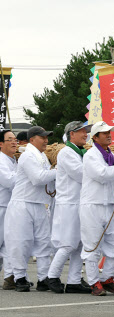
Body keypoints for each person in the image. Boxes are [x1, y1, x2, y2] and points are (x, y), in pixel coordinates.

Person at [80, 121, 114, 296]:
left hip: (110, 205)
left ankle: (108, 278)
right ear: (95, 137)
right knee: (92, 245)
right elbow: (102, 175)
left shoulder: (112, 156)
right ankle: (94, 282)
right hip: (93, 205)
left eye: (109, 132)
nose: (108, 135)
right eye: (104, 133)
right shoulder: (91, 155)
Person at [4, 126, 56, 292]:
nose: (46, 140)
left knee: (43, 242)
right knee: (21, 242)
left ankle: (43, 278)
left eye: (47, 137)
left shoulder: (42, 156)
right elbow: (38, 178)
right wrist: (59, 170)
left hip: (39, 203)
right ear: (32, 139)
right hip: (22, 204)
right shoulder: (27, 156)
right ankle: (19, 277)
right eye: (43, 137)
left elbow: (47, 178)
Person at [46, 121, 91, 294]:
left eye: (86, 131)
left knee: (79, 244)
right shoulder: (66, 152)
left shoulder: (80, 152)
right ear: (71, 134)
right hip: (69, 204)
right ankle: (53, 276)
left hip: (79, 203)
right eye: (81, 132)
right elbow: (81, 174)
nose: (85, 134)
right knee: (67, 243)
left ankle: (73, 281)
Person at [0, 130, 17, 290]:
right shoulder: (0, 160)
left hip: (10, 207)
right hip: (1, 206)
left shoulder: (13, 160)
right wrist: (26, 172)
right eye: (9, 139)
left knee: (9, 243)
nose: (14, 142)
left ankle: (9, 277)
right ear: (1, 144)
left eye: (15, 139)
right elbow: (8, 181)